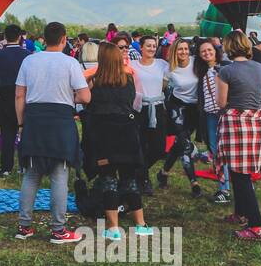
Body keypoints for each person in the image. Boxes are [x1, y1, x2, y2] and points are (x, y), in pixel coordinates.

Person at [14, 22, 88, 243]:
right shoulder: (70, 63)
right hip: (61, 120)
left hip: (34, 120)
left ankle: (24, 226)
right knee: (59, 174)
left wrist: (21, 124)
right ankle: (58, 230)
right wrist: (68, 97)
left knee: (31, 174)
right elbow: (85, 97)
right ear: (64, 39)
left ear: (43, 39)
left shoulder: (29, 60)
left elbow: (19, 96)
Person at [81, 41, 150, 241]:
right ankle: (141, 224)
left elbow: (85, 102)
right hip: (127, 133)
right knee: (129, 178)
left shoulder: (94, 82)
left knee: (108, 179)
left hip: (104, 135)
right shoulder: (128, 79)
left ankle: (113, 228)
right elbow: (134, 104)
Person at [216, 31, 261, 241]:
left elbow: (221, 103)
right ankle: (240, 213)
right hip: (254, 122)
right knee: (241, 171)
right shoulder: (259, 68)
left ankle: (256, 225)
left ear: (228, 47)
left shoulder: (226, 71)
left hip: (235, 123)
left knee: (240, 176)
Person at [156, 38, 200, 195]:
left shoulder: (196, 62)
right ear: (175, 51)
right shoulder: (169, 69)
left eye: (186, 49)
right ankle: (194, 183)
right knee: (186, 144)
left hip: (194, 109)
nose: (184, 52)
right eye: (180, 49)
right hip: (177, 108)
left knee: (179, 143)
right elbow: (160, 89)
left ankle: (163, 173)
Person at [195, 39, 231, 203]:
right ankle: (223, 186)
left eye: (209, 50)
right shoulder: (200, 71)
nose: (207, 53)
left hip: (224, 113)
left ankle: (228, 187)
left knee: (228, 151)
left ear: (215, 50)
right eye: (203, 51)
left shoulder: (225, 66)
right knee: (215, 150)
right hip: (209, 114)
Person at [132, 34, 169, 194]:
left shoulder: (161, 64)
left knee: (158, 147)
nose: (152, 49)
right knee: (140, 145)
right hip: (140, 108)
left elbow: (167, 80)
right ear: (141, 47)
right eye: (148, 46)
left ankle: (137, 172)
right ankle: (144, 180)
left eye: (154, 46)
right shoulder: (132, 65)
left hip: (158, 107)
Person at [0, 24, 31, 178]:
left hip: (5, 95)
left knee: (7, 134)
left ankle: (6, 168)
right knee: (24, 133)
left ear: (5, 37)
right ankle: (24, 166)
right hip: (23, 94)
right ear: (20, 37)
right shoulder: (27, 54)